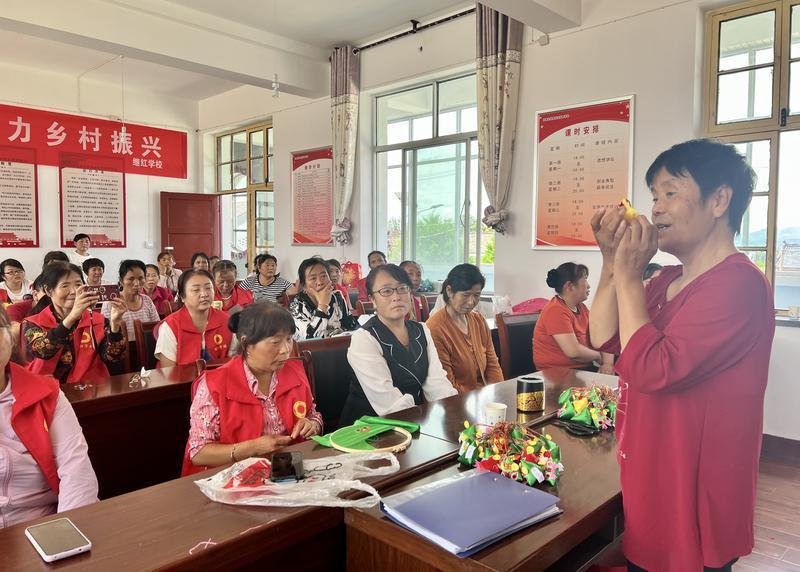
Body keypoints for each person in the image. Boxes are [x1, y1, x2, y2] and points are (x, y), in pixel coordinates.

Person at [588, 139, 775, 571]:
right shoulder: (665, 279)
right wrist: (611, 259)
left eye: (671, 193)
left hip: (693, 490)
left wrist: (630, 274)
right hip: (651, 473)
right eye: (654, 196)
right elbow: (603, 334)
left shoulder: (738, 284)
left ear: (720, 200)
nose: (655, 209)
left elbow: (654, 368)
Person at [182, 302, 322, 475]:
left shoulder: (295, 371)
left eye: (289, 339)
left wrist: (313, 424)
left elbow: (312, 414)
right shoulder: (215, 384)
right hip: (232, 477)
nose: (286, 350)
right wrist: (252, 448)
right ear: (246, 342)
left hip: (288, 470)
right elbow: (198, 452)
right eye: (275, 342)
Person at [0, 305, 98, 528]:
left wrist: (61, 536)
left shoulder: (46, 394)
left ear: (10, 335)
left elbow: (76, 471)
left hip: (42, 523)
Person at [340, 264, 457, 425]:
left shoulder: (422, 330)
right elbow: (389, 404)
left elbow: (437, 384)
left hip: (412, 421)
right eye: (386, 291)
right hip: (368, 430)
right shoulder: (364, 339)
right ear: (372, 299)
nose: (396, 297)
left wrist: (455, 413)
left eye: (402, 288)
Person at [22, 262, 128, 383]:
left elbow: (113, 357)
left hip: (91, 389)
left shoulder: (97, 320)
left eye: (78, 284)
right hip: (48, 391)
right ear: (48, 290)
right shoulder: (32, 323)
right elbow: (42, 351)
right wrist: (72, 316)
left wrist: (115, 324)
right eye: (65, 285)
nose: (73, 291)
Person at [426, 264, 503, 393]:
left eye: (476, 295)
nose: (471, 302)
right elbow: (447, 383)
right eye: (466, 295)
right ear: (449, 291)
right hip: (457, 402)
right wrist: (478, 401)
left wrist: (498, 393)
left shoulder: (478, 321)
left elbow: (492, 364)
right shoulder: (435, 328)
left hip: (485, 398)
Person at [532, 262, 614, 373]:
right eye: (585, 280)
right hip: (557, 374)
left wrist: (608, 364)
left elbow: (603, 335)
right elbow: (573, 352)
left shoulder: (582, 308)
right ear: (569, 286)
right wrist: (598, 357)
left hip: (581, 370)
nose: (588, 285)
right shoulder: (555, 310)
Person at [155, 269, 234, 367]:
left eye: (208, 288)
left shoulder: (226, 320)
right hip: (182, 381)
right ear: (183, 296)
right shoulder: (171, 325)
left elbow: (233, 362)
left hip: (219, 380)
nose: (204, 294)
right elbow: (168, 372)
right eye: (196, 290)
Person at [289, 257, 358, 340]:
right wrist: (322, 305)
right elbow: (310, 339)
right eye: (313, 278)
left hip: (340, 349)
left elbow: (352, 327)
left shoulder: (337, 297)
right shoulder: (296, 306)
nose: (320, 282)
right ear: (304, 286)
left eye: (323, 276)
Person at [101, 260, 159, 341]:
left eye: (141, 278)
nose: (136, 283)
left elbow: (157, 328)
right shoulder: (111, 303)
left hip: (147, 349)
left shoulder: (147, 300)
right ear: (121, 281)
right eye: (131, 279)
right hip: (120, 350)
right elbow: (104, 336)